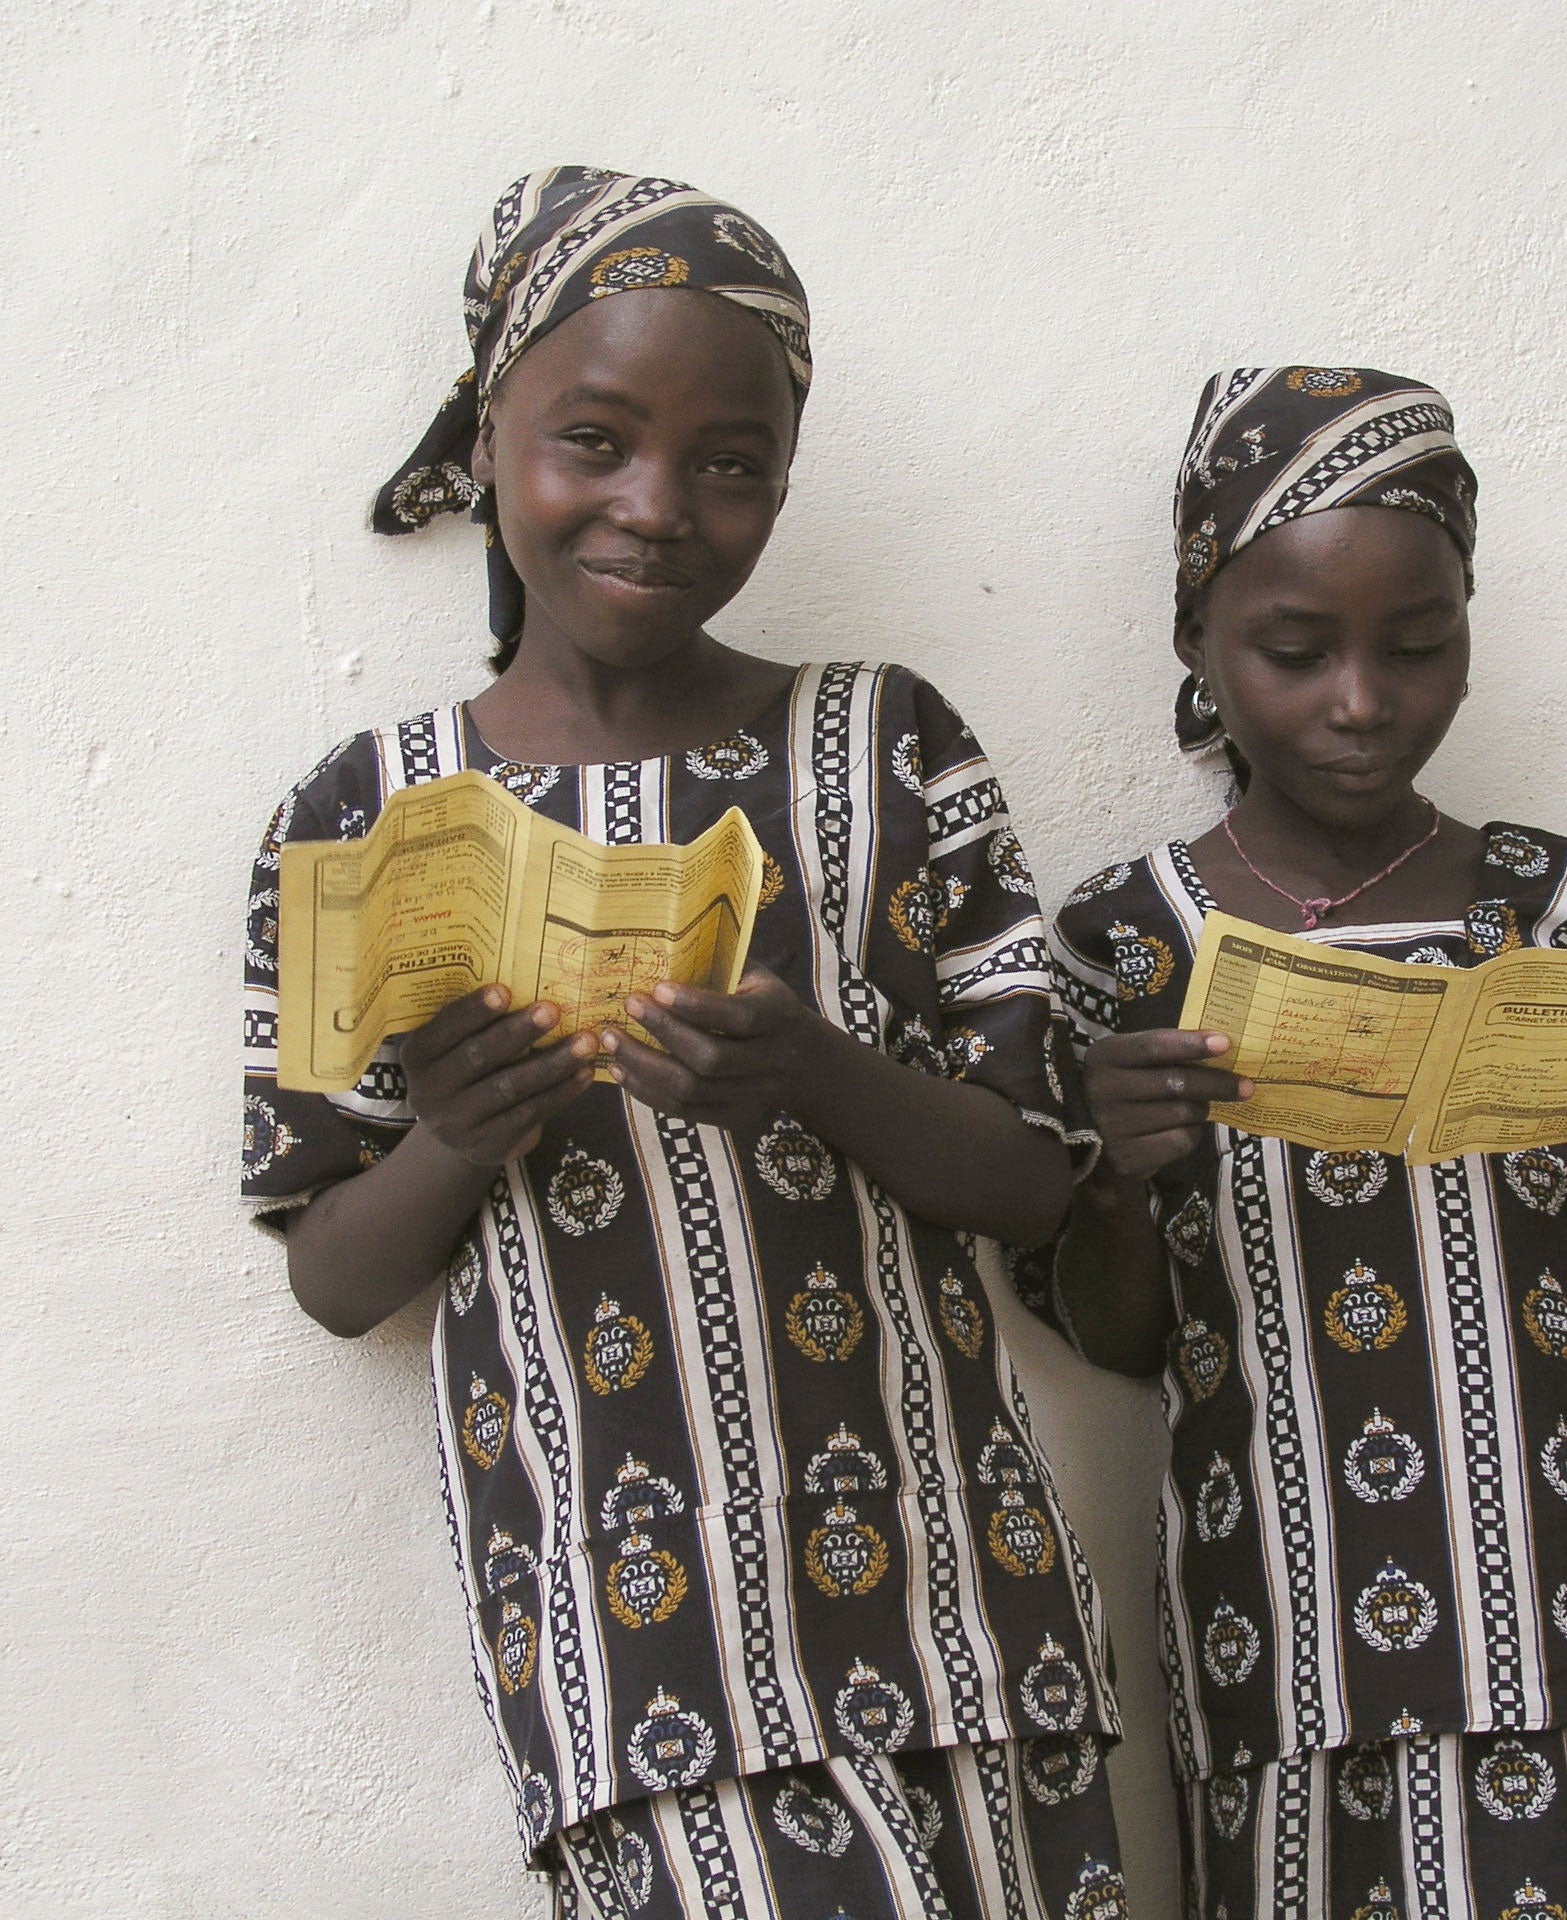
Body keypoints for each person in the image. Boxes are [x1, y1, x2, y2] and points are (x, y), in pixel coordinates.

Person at [239, 167, 1127, 1920]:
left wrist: (817, 1073)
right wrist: (459, 1135)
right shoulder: (370, 816)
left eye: (731, 464)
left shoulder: (886, 748)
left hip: (967, 1624)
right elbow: (333, 1277)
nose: (656, 507)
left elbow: (1038, 1180)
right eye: (594, 440)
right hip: (637, 1669)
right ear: (486, 438)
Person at [1036, 366, 1567, 1920]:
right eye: (1295, 652)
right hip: (1290, 1630)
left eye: (1419, 646)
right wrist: (1119, 1179)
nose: (1361, 702)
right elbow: (1119, 1334)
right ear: (1198, 640)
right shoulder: (1125, 943)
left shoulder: (1566, 911)